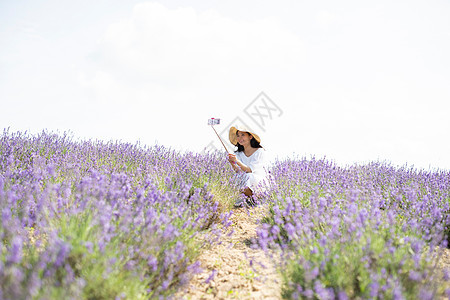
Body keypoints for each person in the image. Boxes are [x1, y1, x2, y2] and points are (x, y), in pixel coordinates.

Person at [227, 125, 269, 207]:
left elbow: (250, 170)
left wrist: (237, 161)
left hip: (258, 180)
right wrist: (232, 163)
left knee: (248, 176)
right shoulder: (238, 153)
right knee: (237, 177)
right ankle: (249, 199)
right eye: (238, 136)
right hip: (245, 178)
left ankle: (254, 199)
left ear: (250, 137)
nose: (240, 138)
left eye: (243, 135)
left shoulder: (259, 151)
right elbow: (238, 171)